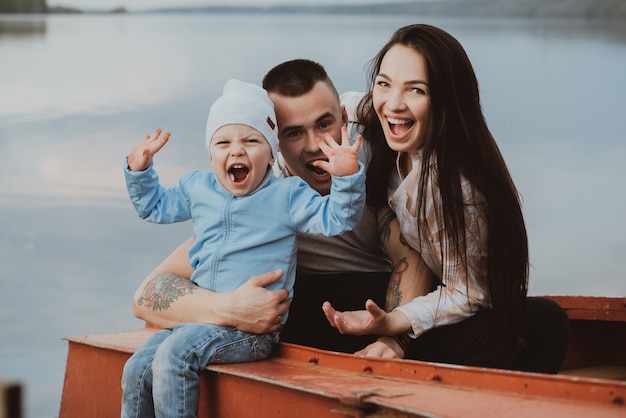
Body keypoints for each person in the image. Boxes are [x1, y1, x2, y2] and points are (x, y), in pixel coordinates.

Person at [130, 59, 568, 372]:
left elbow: (409, 254)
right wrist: (230, 309)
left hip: (383, 313)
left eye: (325, 124)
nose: (317, 146)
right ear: (273, 142)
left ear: (343, 117)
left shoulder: (373, 164)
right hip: (304, 320)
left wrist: (391, 339)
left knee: (540, 321)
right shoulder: (262, 196)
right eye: (294, 134)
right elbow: (148, 294)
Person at [322, 24, 569, 370]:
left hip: (473, 311)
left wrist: (395, 328)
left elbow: (468, 292)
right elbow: (347, 107)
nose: (393, 104)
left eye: (416, 90)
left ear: (446, 99)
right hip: (427, 298)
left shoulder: (455, 184)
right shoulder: (380, 124)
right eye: (384, 83)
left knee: (541, 320)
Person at [121, 78, 366, 418]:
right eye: (223, 142)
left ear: (271, 152)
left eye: (251, 141)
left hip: (251, 331)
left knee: (175, 356)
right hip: (199, 319)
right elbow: (154, 206)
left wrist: (347, 178)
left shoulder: (288, 195)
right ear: (211, 154)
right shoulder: (198, 187)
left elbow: (337, 219)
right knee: (137, 368)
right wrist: (139, 170)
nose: (236, 151)